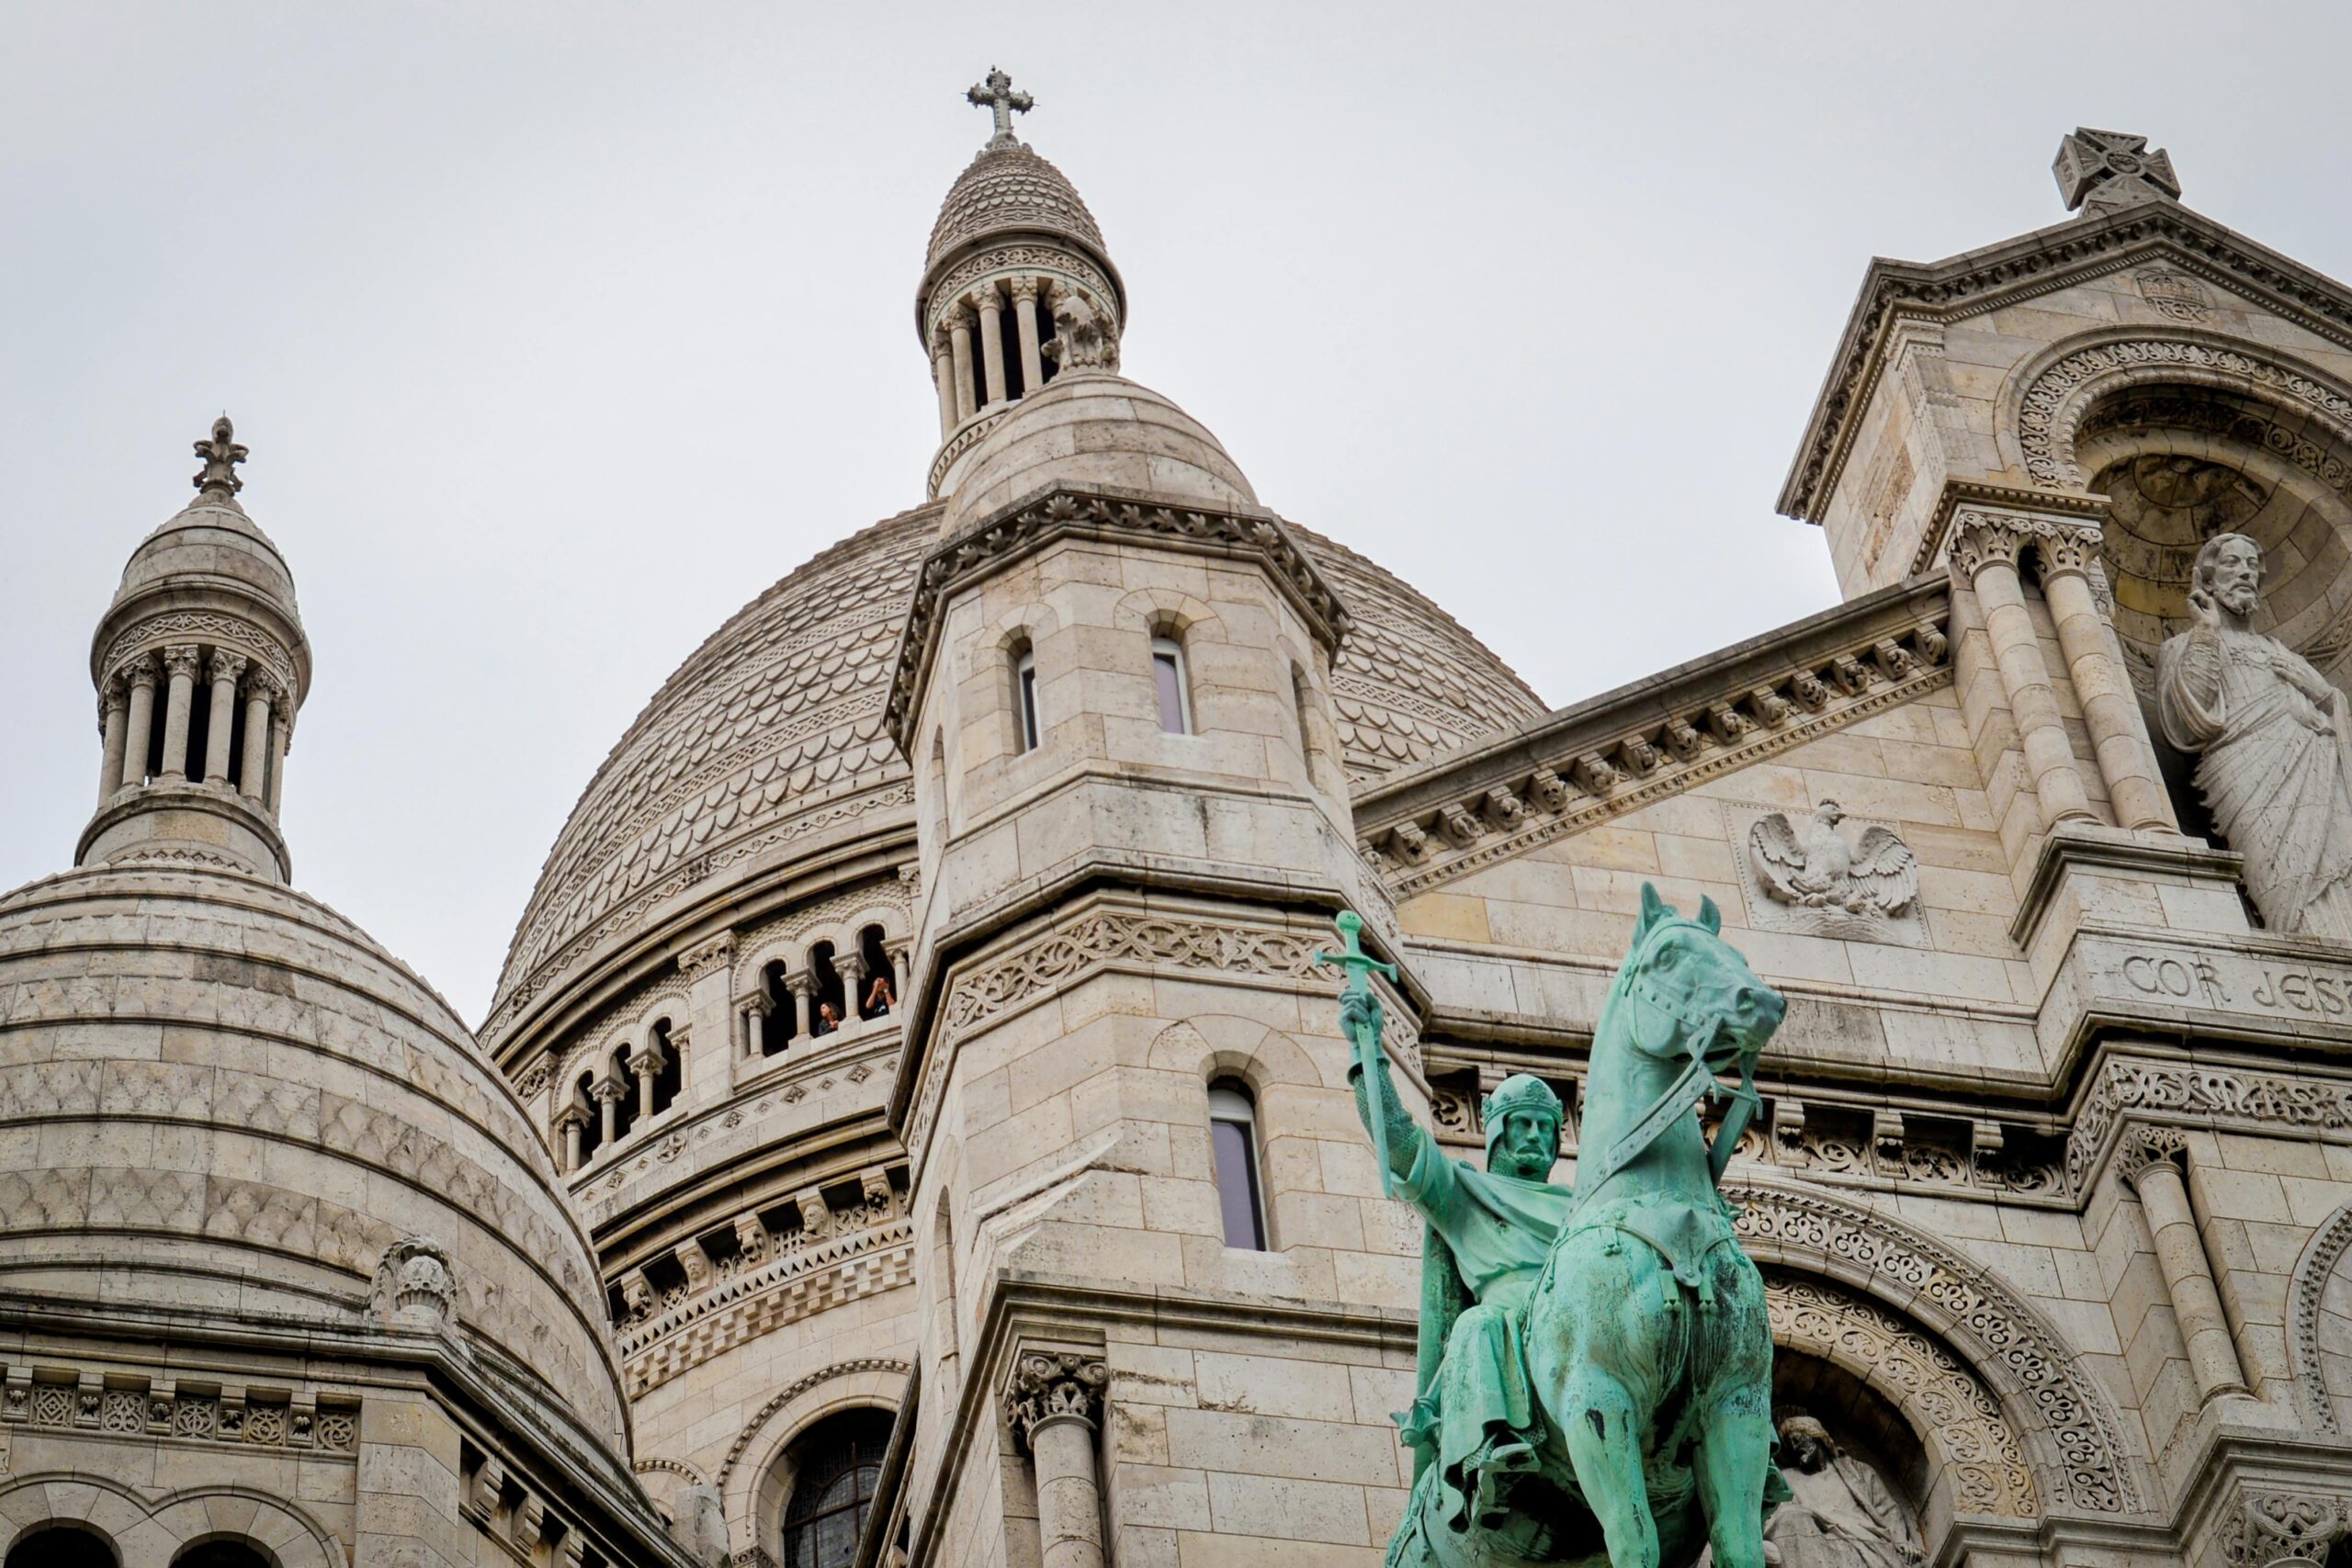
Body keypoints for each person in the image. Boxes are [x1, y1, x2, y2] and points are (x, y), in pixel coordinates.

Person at [1342, 987, 1571, 1536]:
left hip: (1584, 1309)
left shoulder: (1585, 1202)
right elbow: (1399, 1145)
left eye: (1547, 1127)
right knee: (1479, 1322)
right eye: (1524, 1124)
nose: (1537, 1136)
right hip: (1512, 1316)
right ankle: (1490, 1454)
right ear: (1497, 1132)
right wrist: (1368, 1051)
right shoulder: (1467, 1192)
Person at [2157, 532, 2352, 936]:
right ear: (2208, 580)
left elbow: (2336, 718)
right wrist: (2207, 632)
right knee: (2282, 878)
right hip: (2245, 777)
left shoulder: (2283, 653)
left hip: (2319, 774)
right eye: (2231, 563)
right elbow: (2188, 721)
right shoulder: (2182, 645)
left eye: (2251, 565)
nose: (2244, 572)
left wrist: (2325, 695)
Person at [1763, 1413, 1922, 1568]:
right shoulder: (1788, 1478)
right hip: (1814, 1540)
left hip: (1864, 1535)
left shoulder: (1857, 1471)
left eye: (1797, 1440)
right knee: (1790, 1516)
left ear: (1816, 1436)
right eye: (1790, 1444)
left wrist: (1901, 1540)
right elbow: (1778, 1514)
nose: (1795, 1447)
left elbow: (1886, 1508)